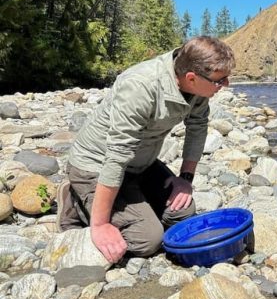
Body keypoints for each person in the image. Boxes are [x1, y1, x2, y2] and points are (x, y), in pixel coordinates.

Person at [56, 36, 235, 263]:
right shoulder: (140, 87)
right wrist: (100, 225)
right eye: (220, 81)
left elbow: (197, 127)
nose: (226, 85)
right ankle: (75, 201)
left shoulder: (197, 87)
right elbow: (117, 156)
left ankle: (132, 201)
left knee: (182, 214)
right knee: (147, 240)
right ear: (191, 77)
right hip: (97, 166)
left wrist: (185, 179)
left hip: (141, 164)